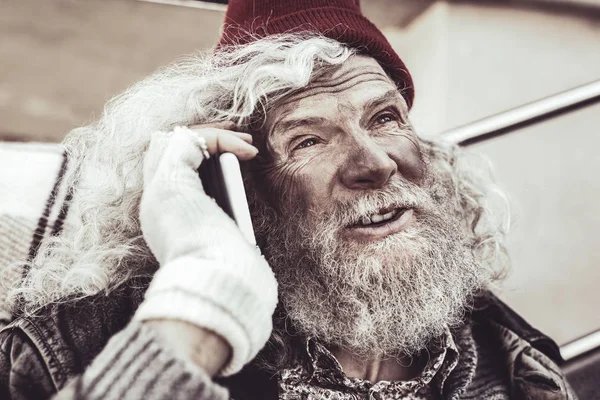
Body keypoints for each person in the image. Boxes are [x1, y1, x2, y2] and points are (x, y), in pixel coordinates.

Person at [0, 0, 577, 399]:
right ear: (242, 189)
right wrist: (206, 299)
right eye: (307, 139)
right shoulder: (71, 352)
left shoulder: (521, 367)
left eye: (385, 117)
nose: (374, 162)